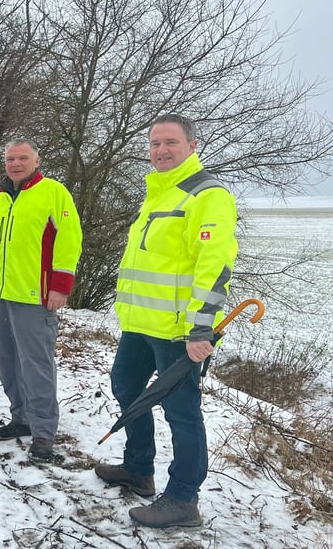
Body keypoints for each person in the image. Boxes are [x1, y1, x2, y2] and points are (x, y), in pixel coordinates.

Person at [94, 114, 237, 528]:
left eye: (171, 142)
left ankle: (183, 500)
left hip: (179, 331)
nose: (161, 150)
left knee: (181, 412)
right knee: (126, 388)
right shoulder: (157, 194)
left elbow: (214, 267)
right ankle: (139, 468)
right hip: (140, 324)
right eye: (155, 143)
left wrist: (201, 327)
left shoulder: (207, 195)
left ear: (192, 146)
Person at [0, 139, 83, 461]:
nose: (16, 163)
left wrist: (60, 286)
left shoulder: (53, 192)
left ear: (37, 160)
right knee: (7, 361)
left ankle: (43, 431)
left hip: (36, 296)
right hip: (1, 294)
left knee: (36, 364)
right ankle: (20, 417)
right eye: (10, 159)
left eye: (23, 158)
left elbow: (70, 239)